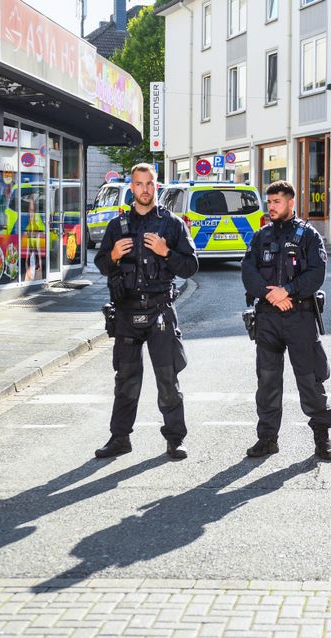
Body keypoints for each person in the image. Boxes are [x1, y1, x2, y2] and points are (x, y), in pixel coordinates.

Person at [94, 163, 199, 460]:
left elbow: (191, 266)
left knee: (168, 379)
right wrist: (113, 256)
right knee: (125, 379)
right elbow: (102, 263)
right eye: (139, 184)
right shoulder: (118, 226)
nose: (144, 189)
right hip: (126, 311)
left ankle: (175, 439)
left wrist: (167, 252)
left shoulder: (172, 224)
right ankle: (120, 438)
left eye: (149, 183)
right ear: (131, 188)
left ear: (157, 186)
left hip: (159, 312)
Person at [241, 180, 331, 460]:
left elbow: (316, 275)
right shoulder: (261, 237)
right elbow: (248, 271)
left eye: (277, 202)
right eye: (269, 202)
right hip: (268, 319)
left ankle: (322, 439)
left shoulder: (309, 236)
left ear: (291, 203)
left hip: (300, 317)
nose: (271, 207)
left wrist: (289, 291)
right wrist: (270, 295)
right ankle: (267, 439)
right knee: (268, 383)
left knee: (310, 381)